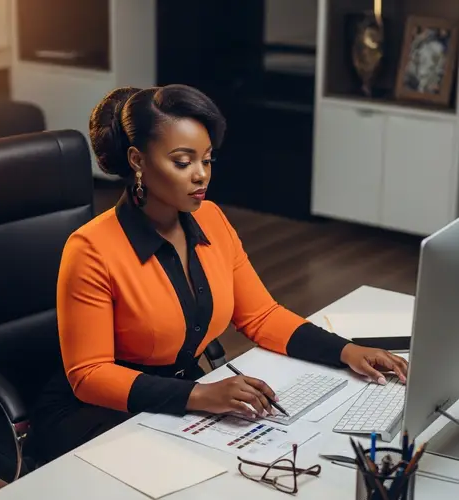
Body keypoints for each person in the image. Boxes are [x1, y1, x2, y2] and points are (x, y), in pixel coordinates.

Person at [31, 84, 408, 462]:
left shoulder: (209, 218)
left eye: (207, 160)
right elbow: (90, 376)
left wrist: (345, 350)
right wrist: (201, 396)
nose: (200, 176)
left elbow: (261, 315)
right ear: (137, 160)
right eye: (183, 162)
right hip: (95, 416)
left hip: (180, 397)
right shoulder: (91, 249)